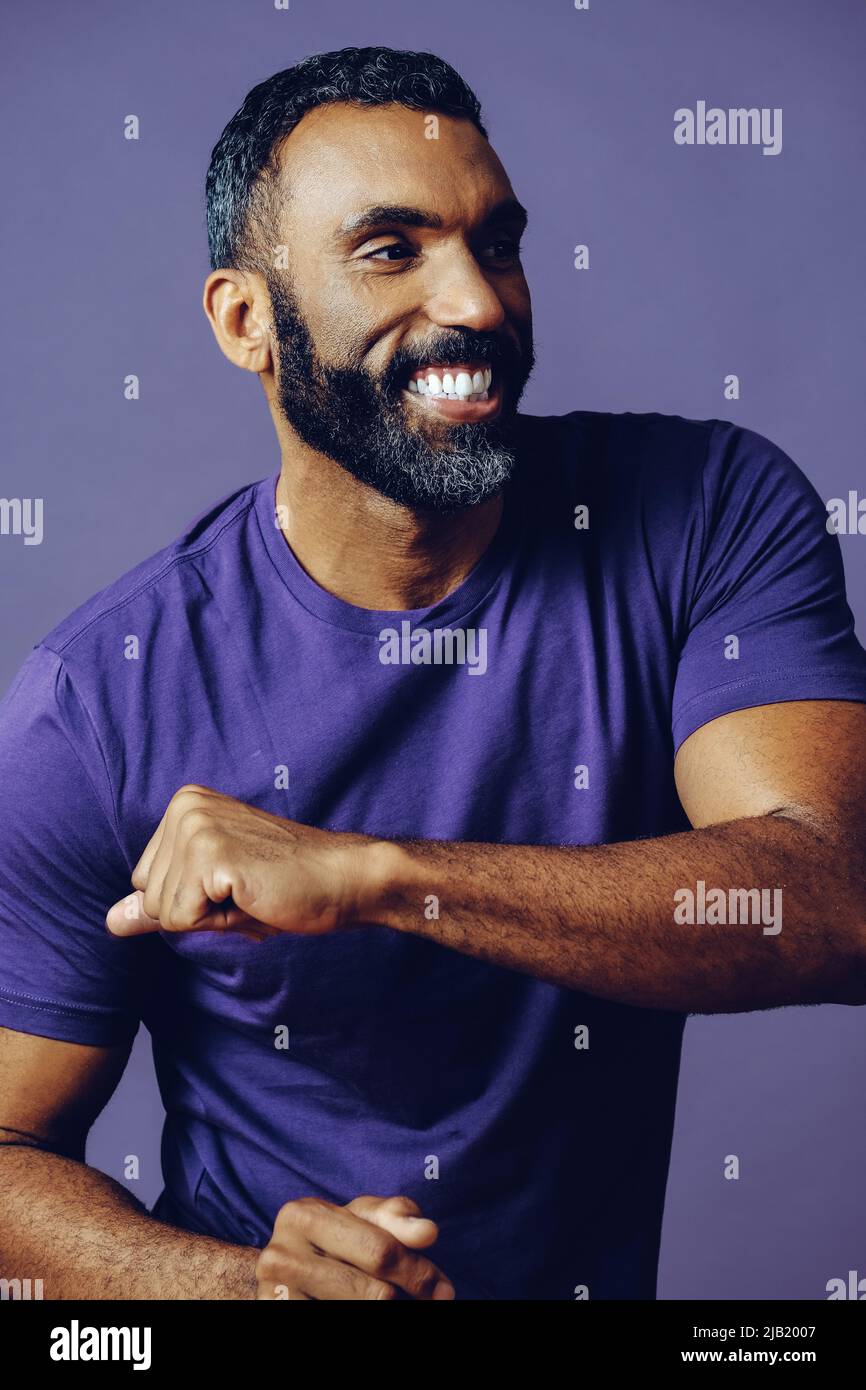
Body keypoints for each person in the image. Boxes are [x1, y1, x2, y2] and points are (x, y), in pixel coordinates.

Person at [1, 46, 865, 1302]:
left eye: (495, 242)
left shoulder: (706, 515)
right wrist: (235, 1290)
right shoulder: (96, 704)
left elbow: (832, 899)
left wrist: (374, 876)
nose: (476, 303)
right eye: (391, 250)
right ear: (247, 321)